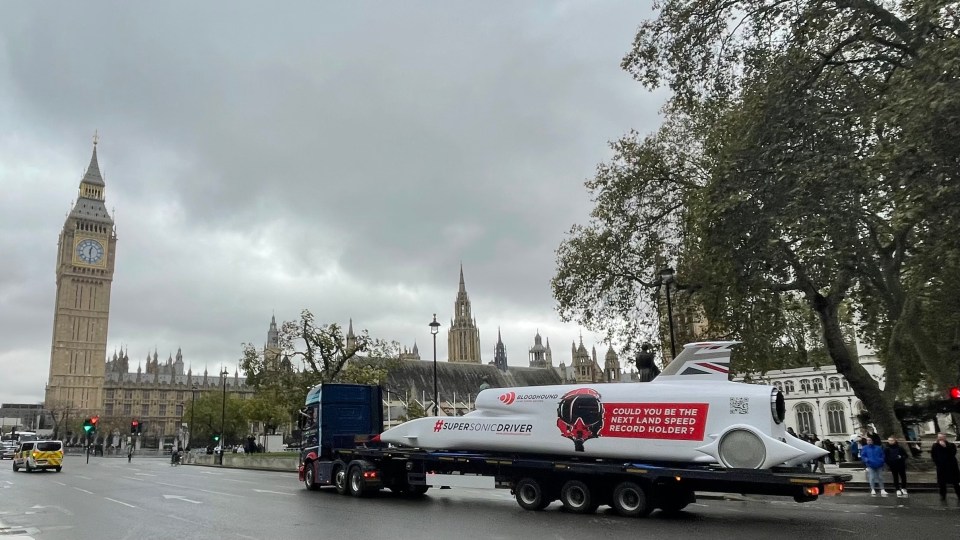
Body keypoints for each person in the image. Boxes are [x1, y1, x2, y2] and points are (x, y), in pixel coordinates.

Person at [930, 432, 960, 502]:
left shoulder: (951, 445)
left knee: (955, 482)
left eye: (941, 437)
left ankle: (959, 494)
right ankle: (943, 496)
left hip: (951, 467)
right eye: (939, 437)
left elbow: (953, 453)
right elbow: (933, 456)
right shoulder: (935, 446)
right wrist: (937, 463)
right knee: (942, 483)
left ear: (945, 438)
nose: (940, 439)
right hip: (941, 467)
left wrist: (945, 447)